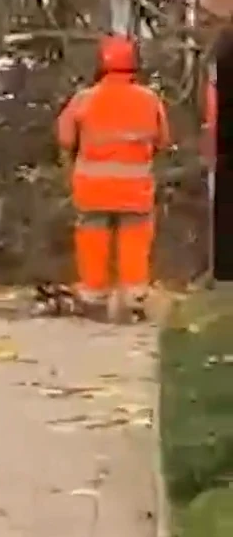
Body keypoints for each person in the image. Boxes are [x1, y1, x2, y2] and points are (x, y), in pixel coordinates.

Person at [55, 35, 170, 322]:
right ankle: (133, 300)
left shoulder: (85, 98)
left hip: (92, 188)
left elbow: (65, 138)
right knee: (134, 240)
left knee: (93, 238)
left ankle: (94, 297)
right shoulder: (149, 99)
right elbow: (163, 140)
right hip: (135, 189)